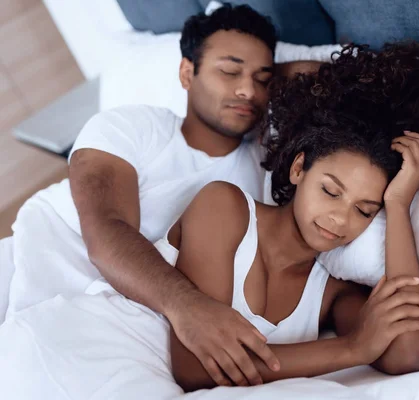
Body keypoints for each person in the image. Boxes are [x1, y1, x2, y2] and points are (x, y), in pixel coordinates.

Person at [0, 4, 282, 386]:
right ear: (187, 72)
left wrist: (287, 73)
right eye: (230, 71)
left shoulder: (262, 173)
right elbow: (106, 231)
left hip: (111, 320)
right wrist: (187, 306)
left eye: (263, 79)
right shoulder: (129, 127)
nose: (248, 89)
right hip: (32, 262)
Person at [167, 41, 419, 390]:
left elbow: (407, 355)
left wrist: (399, 204)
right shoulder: (223, 208)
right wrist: (352, 348)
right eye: (330, 191)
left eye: (364, 210)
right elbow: (195, 367)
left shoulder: (331, 293)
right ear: (298, 168)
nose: (340, 219)